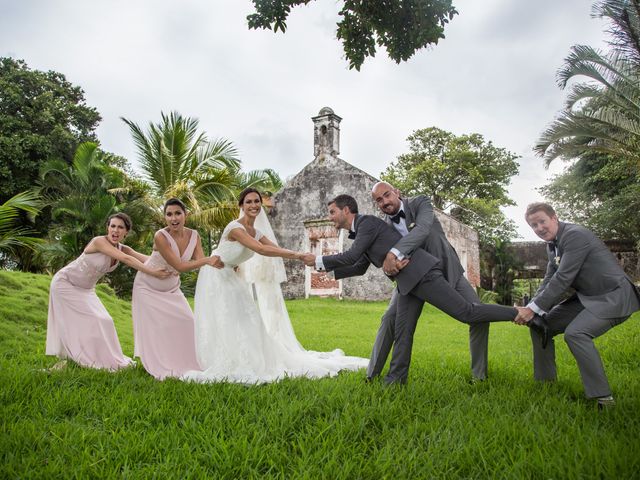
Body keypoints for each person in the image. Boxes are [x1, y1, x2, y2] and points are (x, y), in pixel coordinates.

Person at [301, 194, 529, 385]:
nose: (330, 217)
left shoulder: (367, 223)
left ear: (346, 210)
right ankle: (395, 380)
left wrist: (320, 260)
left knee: (467, 313)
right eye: (378, 199)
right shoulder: (367, 228)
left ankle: (516, 312)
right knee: (402, 331)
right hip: (406, 283)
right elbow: (359, 266)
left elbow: (352, 255)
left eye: (332, 212)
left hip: (423, 274)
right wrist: (326, 271)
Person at [182, 188, 368, 384]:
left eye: (256, 201)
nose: (253, 205)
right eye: (248, 202)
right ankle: (227, 358)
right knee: (228, 316)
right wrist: (297, 256)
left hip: (230, 274)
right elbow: (260, 249)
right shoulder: (235, 228)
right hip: (216, 276)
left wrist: (300, 254)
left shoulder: (257, 231)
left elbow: (275, 248)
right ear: (241, 206)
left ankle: (250, 357)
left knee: (247, 317)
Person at [514, 202, 640, 408]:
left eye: (542, 222)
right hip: (587, 297)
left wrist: (531, 309)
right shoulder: (552, 245)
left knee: (576, 334)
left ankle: (603, 399)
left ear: (554, 217)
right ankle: (546, 385)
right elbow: (549, 279)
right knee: (539, 326)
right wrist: (534, 310)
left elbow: (563, 278)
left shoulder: (575, 235)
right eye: (533, 226)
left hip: (614, 296)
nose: (539, 228)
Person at [369, 182, 491, 382]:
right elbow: (384, 262)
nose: (384, 202)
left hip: (446, 270)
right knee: (389, 319)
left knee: (478, 313)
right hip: (412, 279)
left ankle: (479, 376)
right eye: (379, 200)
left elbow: (424, 229)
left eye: (387, 195)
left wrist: (394, 252)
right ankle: (372, 375)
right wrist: (391, 267)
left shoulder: (420, 202)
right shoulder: (383, 228)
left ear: (397, 193)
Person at [46, 213, 172, 370]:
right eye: (112, 226)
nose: (115, 230)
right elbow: (126, 259)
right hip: (66, 284)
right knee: (93, 320)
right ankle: (82, 359)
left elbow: (147, 259)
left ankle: (105, 359)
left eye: (120, 227)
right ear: (107, 227)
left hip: (86, 290)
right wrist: (152, 272)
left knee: (106, 320)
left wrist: (172, 264)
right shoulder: (99, 242)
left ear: (126, 232)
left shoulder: (122, 248)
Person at [131, 198, 223, 380]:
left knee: (188, 322)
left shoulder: (194, 236)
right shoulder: (160, 236)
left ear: (185, 215)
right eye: (169, 214)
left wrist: (224, 264)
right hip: (147, 288)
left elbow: (200, 261)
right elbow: (180, 266)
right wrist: (207, 260)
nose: (173, 218)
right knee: (158, 329)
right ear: (165, 217)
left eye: (177, 213)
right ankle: (161, 364)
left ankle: (189, 362)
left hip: (172, 288)